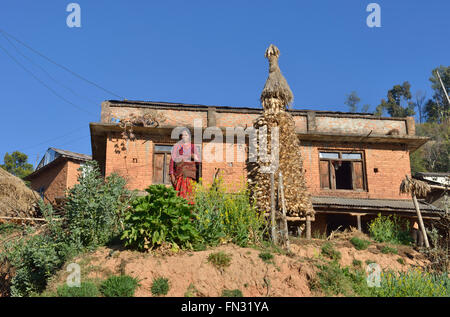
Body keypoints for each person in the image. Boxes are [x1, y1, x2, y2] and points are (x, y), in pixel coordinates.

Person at [169, 128, 200, 203]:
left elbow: (198, 160)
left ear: (189, 136)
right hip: (179, 174)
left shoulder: (193, 146)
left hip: (190, 174)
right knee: (179, 195)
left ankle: (190, 211)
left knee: (190, 194)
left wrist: (192, 156)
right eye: (182, 135)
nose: (184, 136)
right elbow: (172, 161)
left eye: (186, 135)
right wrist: (171, 174)